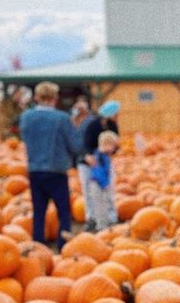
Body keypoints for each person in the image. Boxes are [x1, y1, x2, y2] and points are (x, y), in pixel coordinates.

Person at [19, 81, 83, 250]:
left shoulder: (26, 117)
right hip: (57, 170)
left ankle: (37, 248)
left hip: (35, 169)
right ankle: (63, 248)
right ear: (55, 98)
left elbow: (24, 139)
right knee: (63, 212)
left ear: (36, 98)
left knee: (39, 212)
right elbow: (75, 146)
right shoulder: (62, 118)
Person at [77, 100, 121, 230]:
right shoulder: (92, 125)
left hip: (104, 162)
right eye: (116, 113)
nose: (117, 116)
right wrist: (90, 156)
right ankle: (92, 218)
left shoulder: (113, 125)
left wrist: (110, 152)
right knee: (90, 191)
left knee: (108, 189)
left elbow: (116, 143)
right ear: (109, 113)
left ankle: (110, 217)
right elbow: (84, 144)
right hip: (88, 163)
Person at [85, 130, 120, 231]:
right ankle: (101, 226)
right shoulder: (99, 156)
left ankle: (104, 224)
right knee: (100, 205)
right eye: (113, 146)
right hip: (98, 184)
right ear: (107, 144)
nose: (114, 149)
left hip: (101, 183)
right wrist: (105, 184)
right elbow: (98, 171)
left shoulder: (104, 156)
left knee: (104, 205)